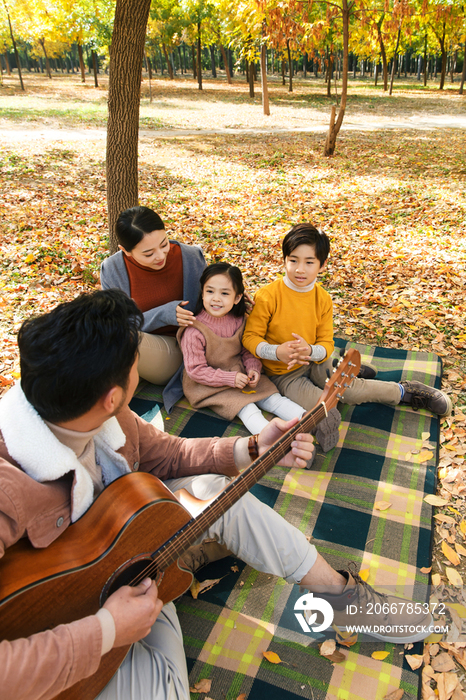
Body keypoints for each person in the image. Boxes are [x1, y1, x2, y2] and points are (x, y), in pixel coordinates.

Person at [0, 290, 434, 700]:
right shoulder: (6, 491)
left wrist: (253, 447)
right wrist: (108, 630)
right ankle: (188, 556)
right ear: (111, 397)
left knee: (217, 494)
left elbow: (169, 454)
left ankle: (342, 598)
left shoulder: (95, 410)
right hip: (61, 640)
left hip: (126, 560)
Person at [243, 224, 452, 418]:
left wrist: (310, 351)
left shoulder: (322, 299)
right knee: (326, 405)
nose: (300, 269)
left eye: (309, 262)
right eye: (293, 260)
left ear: (322, 265)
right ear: (284, 260)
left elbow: (326, 344)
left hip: (315, 361)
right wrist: (276, 352)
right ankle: (341, 367)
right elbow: (250, 337)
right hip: (283, 375)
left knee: (349, 392)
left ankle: (403, 391)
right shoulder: (268, 296)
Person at [178, 262, 340, 450]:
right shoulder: (194, 330)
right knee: (248, 408)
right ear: (202, 292)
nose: (216, 299)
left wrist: (253, 368)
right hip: (210, 384)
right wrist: (229, 378)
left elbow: (247, 350)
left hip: (240, 373)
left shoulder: (240, 320)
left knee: (273, 398)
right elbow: (196, 370)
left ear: (238, 298)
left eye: (224, 293)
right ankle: (279, 445)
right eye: (210, 291)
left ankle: (311, 420)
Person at [100, 206, 205, 413]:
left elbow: (209, 305)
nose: (160, 256)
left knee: (123, 341)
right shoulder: (113, 269)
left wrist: (232, 298)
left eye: (164, 244)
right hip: (139, 348)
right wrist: (163, 314)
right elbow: (116, 324)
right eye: (148, 253)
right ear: (125, 251)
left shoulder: (190, 257)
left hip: (183, 348)